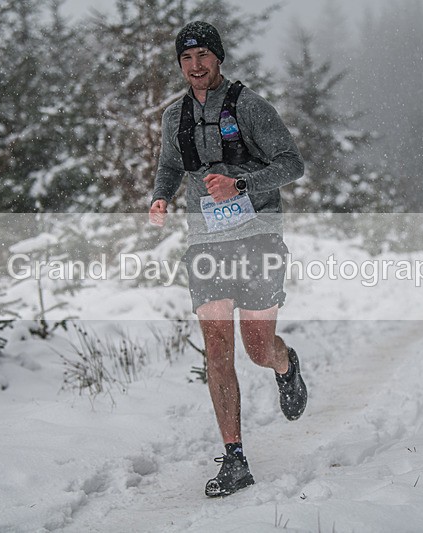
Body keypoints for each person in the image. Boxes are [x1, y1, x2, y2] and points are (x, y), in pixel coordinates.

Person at [149, 21, 308, 497]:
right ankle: (235, 458)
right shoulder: (174, 116)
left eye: (203, 57)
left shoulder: (250, 106)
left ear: (218, 58)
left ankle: (285, 364)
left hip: (257, 236)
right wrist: (161, 198)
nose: (195, 67)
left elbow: (292, 164)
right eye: (186, 59)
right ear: (180, 65)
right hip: (206, 243)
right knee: (217, 352)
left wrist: (240, 184)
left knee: (256, 347)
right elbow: (169, 166)